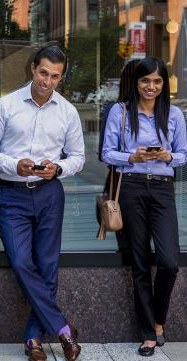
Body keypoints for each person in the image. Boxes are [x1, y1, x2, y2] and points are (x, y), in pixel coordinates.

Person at [0, 46, 85, 361]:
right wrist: (15, 165)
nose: (47, 81)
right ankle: (64, 329)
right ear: (32, 69)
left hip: (50, 192)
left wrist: (60, 168)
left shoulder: (67, 111)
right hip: (11, 194)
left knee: (48, 266)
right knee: (21, 261)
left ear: (61, 76)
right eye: (43, 73)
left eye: (55, 76)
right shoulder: (7, 105)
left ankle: (33, 339)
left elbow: (78, 156)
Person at [102, 57, 187, 357]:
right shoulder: (120, 112)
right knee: (139, 262)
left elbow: (183, 155)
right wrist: (132, 157)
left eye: (157, 81)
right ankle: (148, 333)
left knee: (168, 261)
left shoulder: (174, 114)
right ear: (136, 83)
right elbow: (107, 153)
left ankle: (159, 320)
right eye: (145, 81)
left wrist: (167, 157)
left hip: (163, 189)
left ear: (164, 84)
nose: (151, 87)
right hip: (132, 188)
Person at [96, 59, 139, 253]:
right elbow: (105, 153)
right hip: (122, 179)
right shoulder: (116, 111)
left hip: (118, 176)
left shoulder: (112, 109)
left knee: (127, 240)